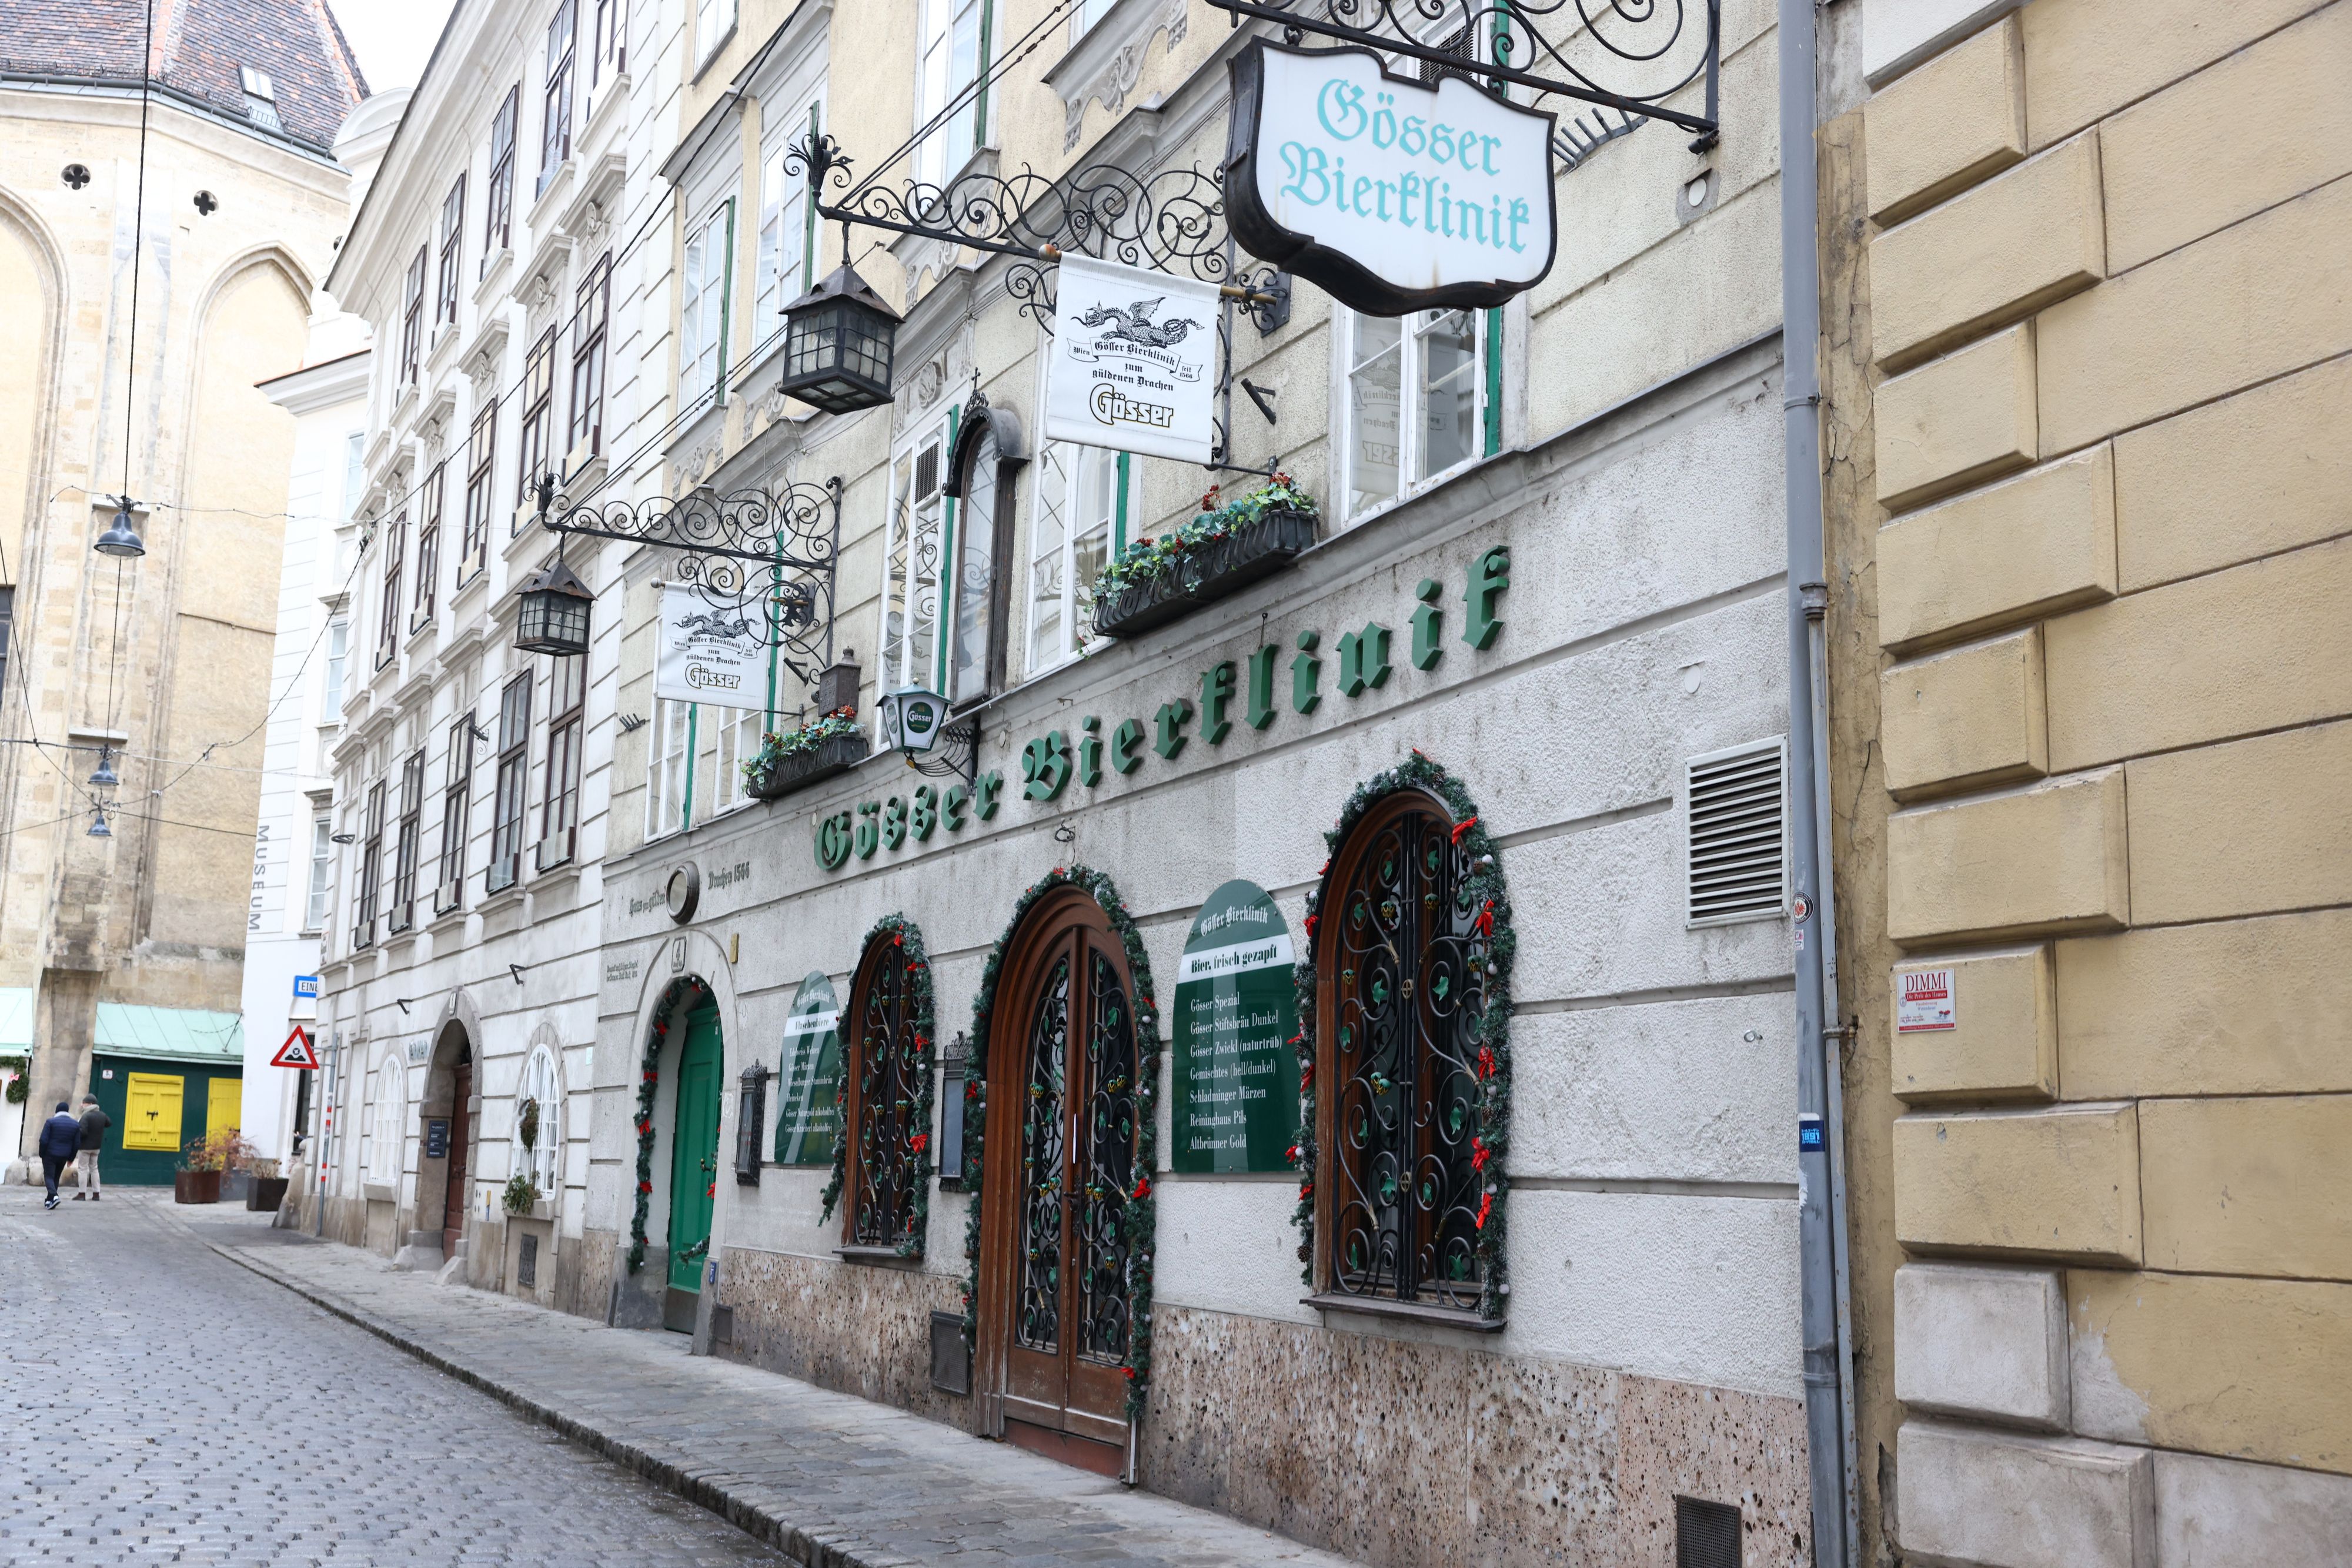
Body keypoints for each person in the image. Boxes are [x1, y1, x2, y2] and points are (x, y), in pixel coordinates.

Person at [36, 1100, 80, 1210]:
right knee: (56, 1177)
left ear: (57, 1111)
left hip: (50, 1154)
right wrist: (71, 1158)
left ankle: (54, 1196)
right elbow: (77, 1144)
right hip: (64, 1156)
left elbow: (44, 1140)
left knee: (49, 1176)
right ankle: (50, 1200)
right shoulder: (75, 1125)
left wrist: (42, 1153)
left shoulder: (51, 1122)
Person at [74, 1094, 109, 1200]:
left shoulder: (86, 1116)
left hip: (85, 1147)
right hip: (96, 1147)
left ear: (90, 1104)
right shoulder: (102, 1115)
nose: (82, 1105)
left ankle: (82, 1194)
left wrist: (77, 1136)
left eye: (84, 1103)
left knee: (83, 1169)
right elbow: (109, 1123)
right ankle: (96, 1194)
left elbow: (83, 1131)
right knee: (94, 1169)